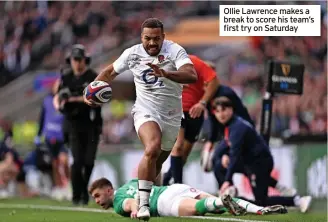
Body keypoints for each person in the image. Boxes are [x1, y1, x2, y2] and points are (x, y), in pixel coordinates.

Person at [83, 18, 197, 220]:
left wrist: (166, 73)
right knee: (152, 147)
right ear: (141, 37)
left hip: (172, 116)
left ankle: (152, 198)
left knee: (158, 163)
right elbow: (109, 72)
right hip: (145, 111)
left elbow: (191, 75)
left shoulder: (175, 50)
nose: (152, 43)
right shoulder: (132, 53)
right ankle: (142, 205)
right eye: (147, 38)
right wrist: (91, 90)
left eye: (156, 39)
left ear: (163, 37)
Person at [201, 62, 297, 197]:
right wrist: (209, 143)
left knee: (232, 161)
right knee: (225, 162)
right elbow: (213, 120)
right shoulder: (208, 95)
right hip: (229, 133)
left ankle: (228, 189)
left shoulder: (225, 93)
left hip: (239, 133)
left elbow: (238, 116)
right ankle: (231, 191)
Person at [211, 96, 312, 213]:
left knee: (261, 202)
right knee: (219, 164)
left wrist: (227, 180)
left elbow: (235, 154)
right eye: (217, 111)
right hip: (249, 163)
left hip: (259, 163)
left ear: (231, 109)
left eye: (223, 109)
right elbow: (226, 147)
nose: (221, 114)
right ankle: (276, 186)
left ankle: (298, 201)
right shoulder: (231, 125)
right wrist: (223, 155)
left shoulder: (237, 127)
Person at [89, 177, 288, 219]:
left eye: (98, 195)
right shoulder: (131, 182)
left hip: (164, 203)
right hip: (174, 188)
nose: (97, 201)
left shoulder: (117, 202)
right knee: (222, 207)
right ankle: (259, 209)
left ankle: (221, 200)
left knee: (201, 208)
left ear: (109, 190)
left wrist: (135, 209)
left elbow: (129, 203)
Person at [53, 44, 102, 206]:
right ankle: (77, 195)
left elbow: (95, 98)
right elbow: (57, 96)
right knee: (77, 161)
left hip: (91, 124)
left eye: (80, 59)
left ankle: (83, 191)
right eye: (75, 59)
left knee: (89, 161)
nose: (77, 63)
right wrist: (59, 104)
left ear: (85, 60)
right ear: (71, 61)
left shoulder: (92, 76)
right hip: (73, 124)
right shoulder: (65, 77)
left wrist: (73, 99)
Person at [163, 55, 219, 185]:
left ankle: (167, 178)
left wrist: (202, 103)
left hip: (194, 114)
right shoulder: (169, 65)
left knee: (184, 155)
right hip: (176, 111)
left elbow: (213, 82)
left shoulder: (203, 77)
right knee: (178, 146)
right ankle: (178, 185)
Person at [35, 81, 70, 191]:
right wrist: (38, 134)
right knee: (54, 164)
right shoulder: (47, 101)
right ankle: (58, 188)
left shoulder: (66, 102)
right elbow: (42, 118)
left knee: (64, 161)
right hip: (50, 137)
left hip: (62, 137)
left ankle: (70, 185)